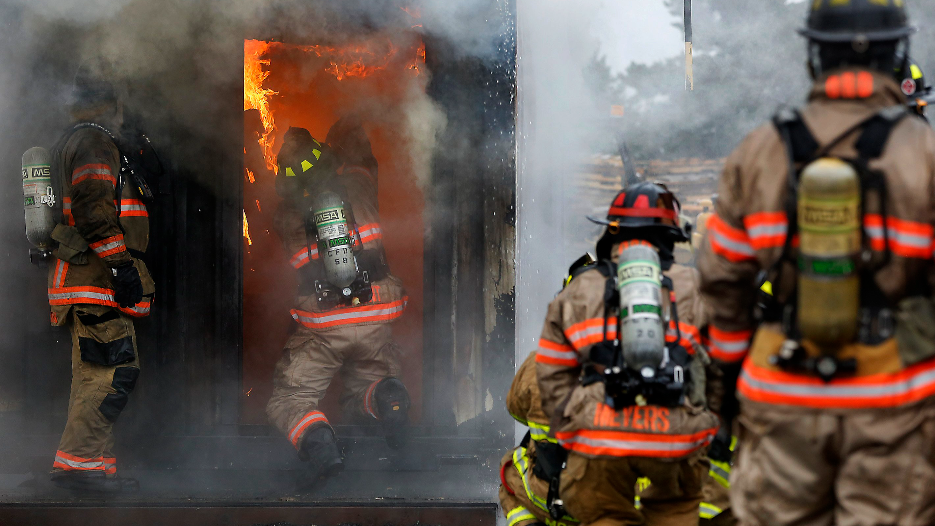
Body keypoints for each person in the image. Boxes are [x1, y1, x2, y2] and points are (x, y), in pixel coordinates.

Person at [697, 1, 935, 524]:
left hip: (779, 392)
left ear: (813, 56)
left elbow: (722, 288)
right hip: (894, 400)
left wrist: (724, 397)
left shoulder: (760, 152)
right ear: (897, 51)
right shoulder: (926, 155)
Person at [536, 182, 720, 526]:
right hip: (676, 439)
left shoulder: (579, 290)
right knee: (676, 513)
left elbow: (550, 374)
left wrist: (573, 428)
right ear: (670, 235)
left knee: (606, 514)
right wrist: (705, 424)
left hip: (599, 438)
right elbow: (721, 370)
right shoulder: (696, 287)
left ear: (611, 233)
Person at [265, 126, 410, 488]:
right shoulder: (360, 187)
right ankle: (385, 395)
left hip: (326, 322)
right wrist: (346, 128)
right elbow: (364, 161)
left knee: (291, 398)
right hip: (375, 312)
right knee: (365, 384)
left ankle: (321, 447)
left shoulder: (286, 216)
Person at [46, 62, 154, 492]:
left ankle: (96, 471)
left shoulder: (77, 139)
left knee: (100, 371)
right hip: (96, 280)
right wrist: (122, 265)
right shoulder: (94, 142)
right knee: (113, 374)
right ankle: (78, 468)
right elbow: (94, 213)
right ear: (109, 103)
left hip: (86, 279)